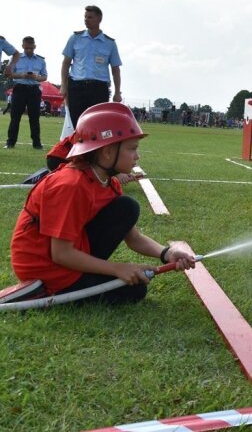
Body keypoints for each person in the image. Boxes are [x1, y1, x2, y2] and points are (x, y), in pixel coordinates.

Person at [10, 102, 195, 304]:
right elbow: (61, 253)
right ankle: (42, 289)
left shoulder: (108, 182)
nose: (137, 156)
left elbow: (133, 238)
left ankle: (79, 277)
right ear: (107, 152)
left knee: (127, 208)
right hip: (46, 267)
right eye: (132, 148)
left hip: (67, 256)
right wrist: (118, 268)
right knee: (134, 291)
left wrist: (166, 253)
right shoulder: (71, 186)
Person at [60, 5, 122, 128]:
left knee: (98, 124)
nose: (86, 20)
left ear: (99, 19)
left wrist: (117, 92)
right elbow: (66, 63)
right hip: (77, 86)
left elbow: (115, 69)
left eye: (90, 17)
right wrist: (63, 85)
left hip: (98, 88)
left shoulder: (109, 43)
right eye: (85, 17)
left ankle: (96, 148)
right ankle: (78, 147)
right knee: (77, 124)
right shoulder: (75, 38)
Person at [5, 36, 47, 150]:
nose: (29, 50)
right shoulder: (15, 58)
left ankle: (37, 144)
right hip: (19, 89)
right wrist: (22, 75)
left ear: (34, 46)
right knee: (15, 117)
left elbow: (45, 77)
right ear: (22, 46)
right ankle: (10, 142)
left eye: (31, 48)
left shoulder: (41, 60)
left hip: (34, 89)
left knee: (34, 118)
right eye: (26, 48)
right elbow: (9, 74)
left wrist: (36, 77)